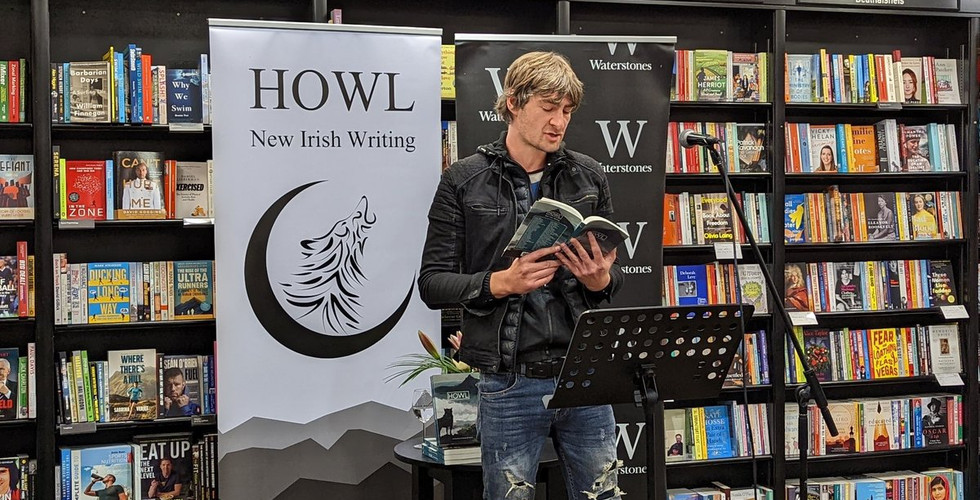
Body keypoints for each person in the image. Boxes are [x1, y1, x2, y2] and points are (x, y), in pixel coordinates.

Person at [418, 51, 624, 500]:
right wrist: (501, 283)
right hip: (508, 380)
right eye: (548, 108)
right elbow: (432, 284)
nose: (559, 122)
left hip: (584, 374)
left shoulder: (588, 176)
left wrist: (599, 281)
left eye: (567, 111)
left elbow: (613, 280)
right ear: (513, 102)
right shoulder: (463, 180)